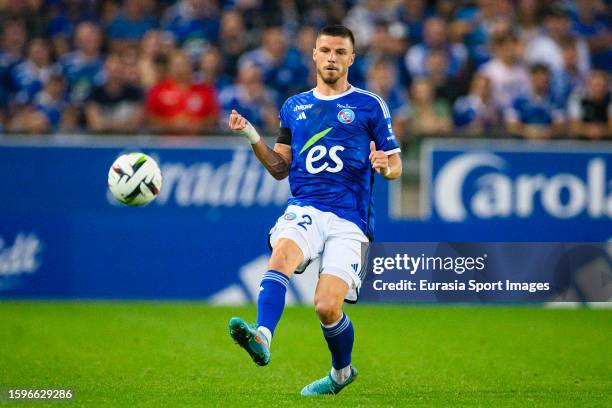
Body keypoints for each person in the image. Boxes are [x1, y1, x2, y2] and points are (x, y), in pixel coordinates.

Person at [227, 25, 402, 396]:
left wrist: (383, 165)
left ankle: (341, 373)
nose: (332, 58)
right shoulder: (294, 107)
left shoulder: (370, 105)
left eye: (340, 52)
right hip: (305, 205)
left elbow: (396, 165)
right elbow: (280, 168)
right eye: (325, 51)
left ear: (352, 58)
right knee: (281, 256)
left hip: (350, 219)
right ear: (314, 55)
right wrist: (251, 136)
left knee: (325, 306)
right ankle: (262, 337)